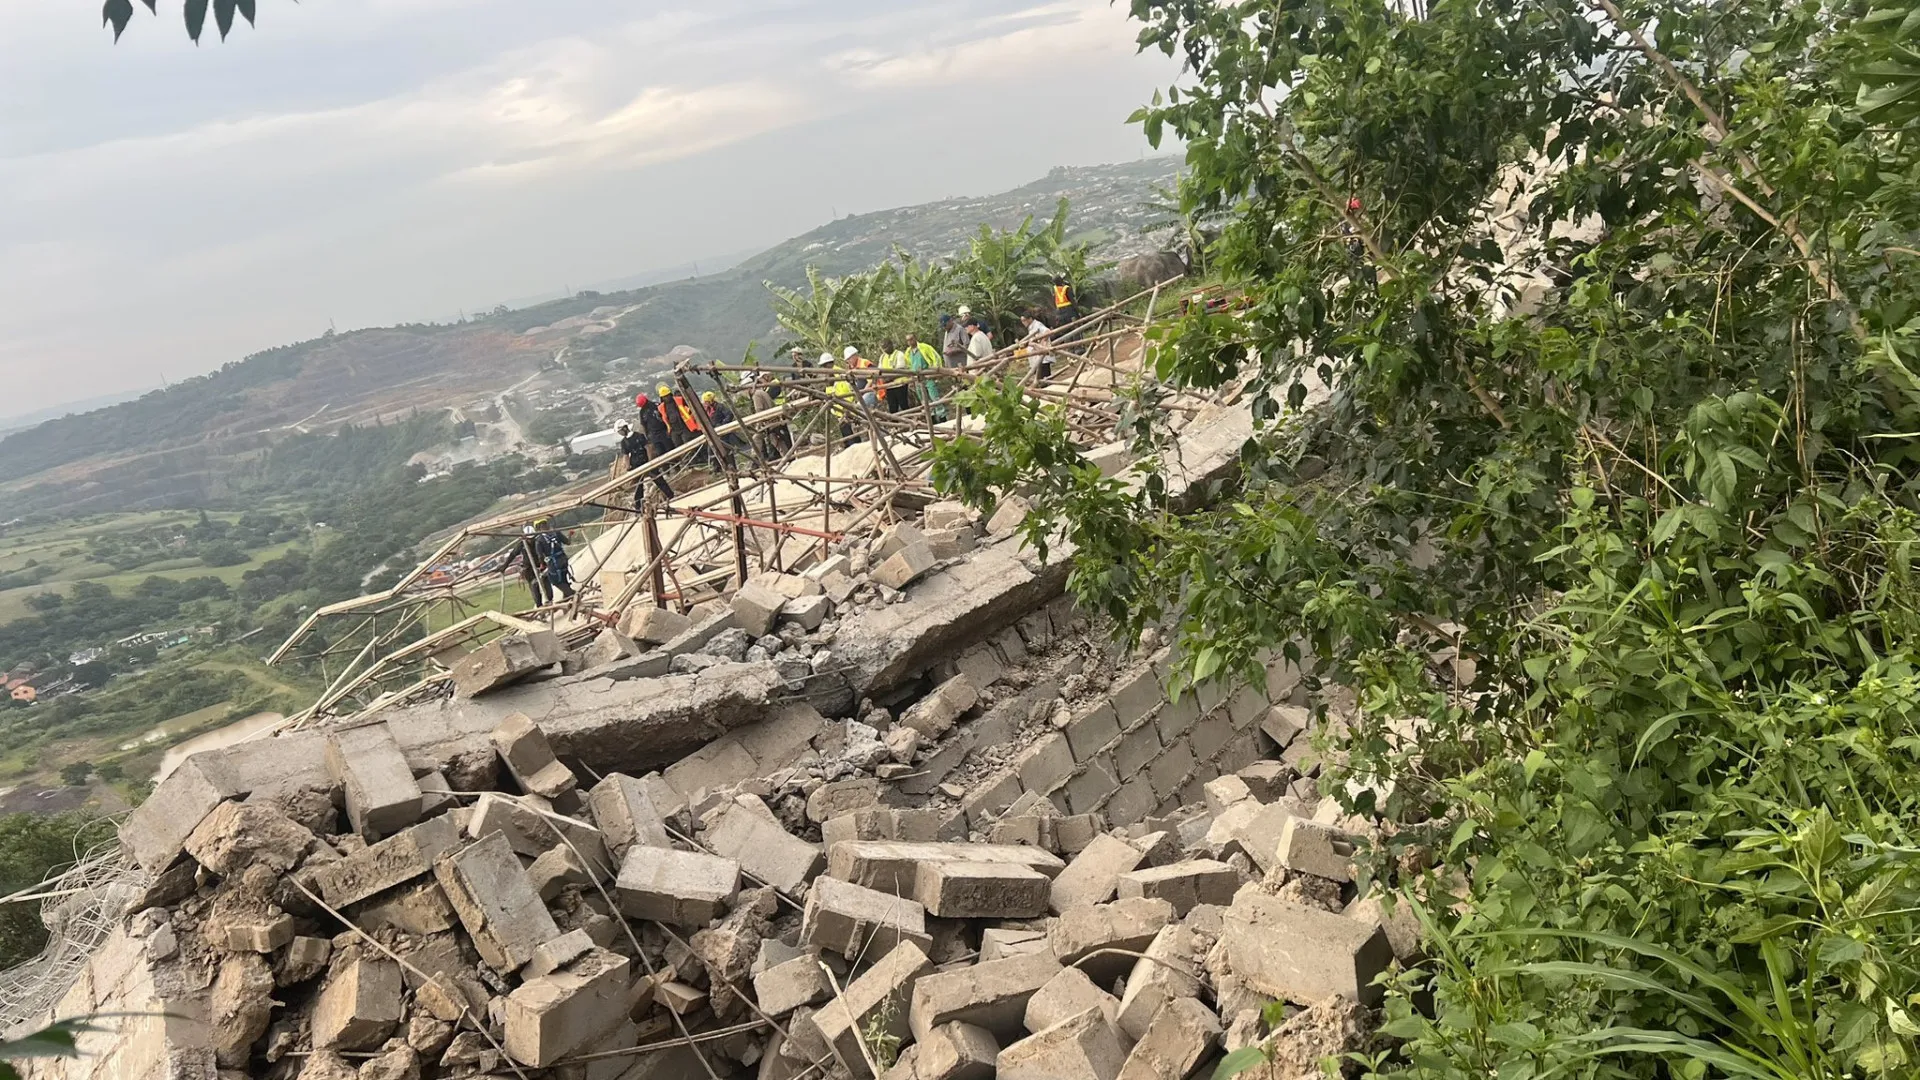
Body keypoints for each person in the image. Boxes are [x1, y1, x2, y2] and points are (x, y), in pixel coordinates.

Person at [618, 415, 673, 503]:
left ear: (624, 429)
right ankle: (669, 495)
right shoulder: (633, 438)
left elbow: (647, 448)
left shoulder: (632, 439)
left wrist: (649, 460)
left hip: (641, 462)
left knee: (654, 480)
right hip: (640, 462)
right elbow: (627, 456)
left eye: (620, 431)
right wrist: (628, 467)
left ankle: (669, 495)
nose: (620, 433)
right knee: (640, 485)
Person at [505, 524, 549, 606]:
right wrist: (505, 566)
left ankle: (549, 600)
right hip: (529, 569)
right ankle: (539, 606)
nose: (530, 540)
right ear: (525, 537)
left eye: (532, 538)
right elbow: (513, 554)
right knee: (534, 587)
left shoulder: (538, 540)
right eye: (529, 539)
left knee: (546, 583)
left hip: (541, 565)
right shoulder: (522, 544)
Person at [534, 518, 574, 603]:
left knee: (555, 581)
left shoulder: (539, 540)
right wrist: (569, 535)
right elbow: (568, 542)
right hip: (563, 559)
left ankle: (572, 594)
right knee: (563, 579)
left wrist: (542, 565)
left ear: (537, 528)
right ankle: (566, 602)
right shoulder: (556, 533)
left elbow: (540, 556)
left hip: (554, 563)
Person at [1023, 310, 1054, 382]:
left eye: (1024, 320)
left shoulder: (1037, 325)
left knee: (1044, 378)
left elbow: (1047, 331)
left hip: (1042, 357)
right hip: (1037, 356)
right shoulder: (1031, 327)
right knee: (1040, 378)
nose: (1023, 323)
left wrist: (1042, 343)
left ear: (1030, 319)